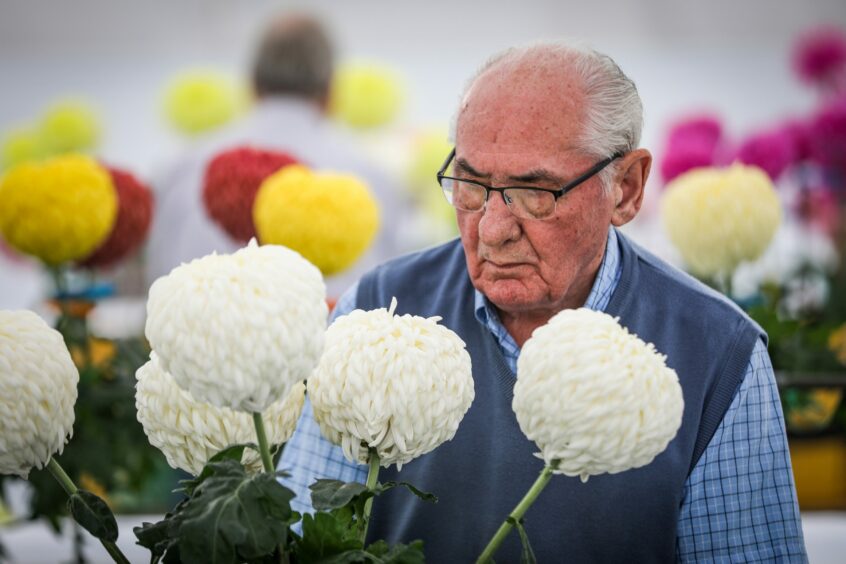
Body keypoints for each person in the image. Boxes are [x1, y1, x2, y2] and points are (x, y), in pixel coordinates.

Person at [279, 42, 808, 562]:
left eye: (536, 193)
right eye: (470, 183)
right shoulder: (375, 311)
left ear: (624, 188)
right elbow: (303, 542)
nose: (492, 229)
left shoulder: (719, 354)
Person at [145, 14, 410, 298]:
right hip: (331, 337)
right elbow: (390, 291)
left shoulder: (182, 167)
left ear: (252, 86)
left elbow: (158, 280)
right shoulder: (372, 177)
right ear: (331, 92)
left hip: (190, 336)